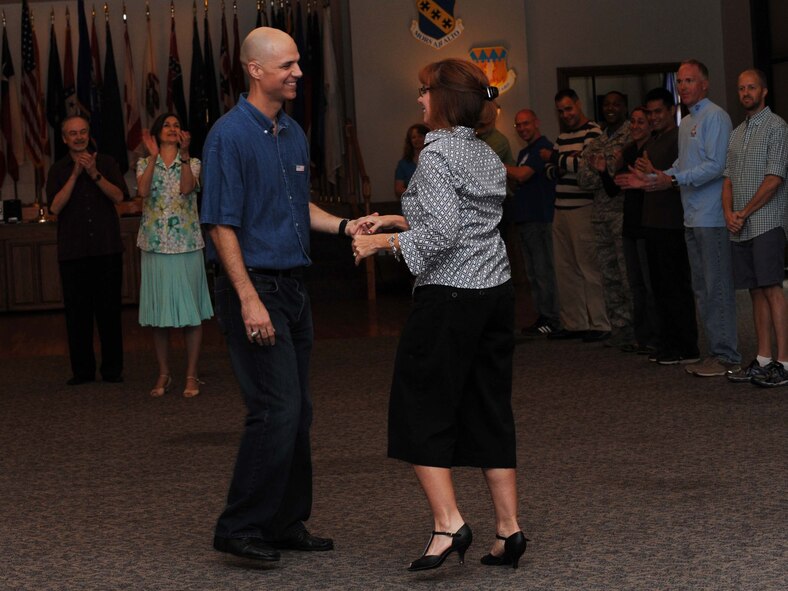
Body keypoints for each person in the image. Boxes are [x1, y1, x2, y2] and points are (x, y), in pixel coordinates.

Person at [352, 58, 527, 572]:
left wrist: (377, 242)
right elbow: (468, 219)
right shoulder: (484, 154)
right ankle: (509, 530)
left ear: (447, 100)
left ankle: (448, 524)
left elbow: (440, 237)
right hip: (495, 293)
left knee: (420, 406)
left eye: (425, 91)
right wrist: (395, 216)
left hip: (449, 299)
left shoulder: (434, 158)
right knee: (490, 405)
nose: (420, 100)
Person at [200, 27, 367, 563]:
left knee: (299, 411)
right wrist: (248, 298)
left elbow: (300, 207)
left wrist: (345, 228)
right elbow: (220, 225)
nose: (298, 72)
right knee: (274, 409)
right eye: (287, 65)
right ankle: (240, 526)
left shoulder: (292, 132)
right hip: (256, 287)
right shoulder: (229, 136)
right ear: (255, 70)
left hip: (294, 288)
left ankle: (284, 521)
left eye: (298, 64)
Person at [619, 60, 740, 377]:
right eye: (680, 81)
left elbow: (716, 166)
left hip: (712, 216)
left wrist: (672, 180)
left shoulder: (716, 117)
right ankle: (714, 351)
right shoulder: (686, 123)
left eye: (690, 80)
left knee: (717, 288)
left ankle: (727, 355)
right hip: (691, 217)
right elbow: (681, 167)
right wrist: (653, 180)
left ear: (705, 84)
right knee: (700, 289)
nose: (684, 86)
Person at [46, 115, 129, 385]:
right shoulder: (58, 170)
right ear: (64, 139)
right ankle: (82, 371)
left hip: (106, 250)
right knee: (77, 315)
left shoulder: (106, 162)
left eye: (83, 132)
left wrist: (94, 174)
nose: (79, 137)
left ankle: (112, 370)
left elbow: (119, 196)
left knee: (109, 312)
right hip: (73, 253)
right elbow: (55, 207)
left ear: (89, 134)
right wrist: (75, 175)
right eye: (73, 133)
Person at [136, 112, 213, 398]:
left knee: (191, 314)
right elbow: (143, 191)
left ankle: (191, 374)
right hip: (155, 245)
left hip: (186, 245)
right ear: (156, 134)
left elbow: (186, 188)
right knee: (159, 315)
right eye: (166, 125)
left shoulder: (192, 163)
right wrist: (154, 158)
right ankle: (164, 373)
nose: (171, 128)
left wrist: (183, 155)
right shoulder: (144, 163)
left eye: (176, 125)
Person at [722, 69, 788, 388]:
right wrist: (728, 214)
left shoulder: (777, 127)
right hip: (741, 226)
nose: (746, 92)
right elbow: (727, 180)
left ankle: (784, 362)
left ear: (764, 92)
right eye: (741, 88)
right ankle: (763, 359)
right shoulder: (736, 133)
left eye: (751, 87)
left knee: (773, 288)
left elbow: (774, 179)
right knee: (755, 291)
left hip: (767, 223)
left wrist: (744, 212)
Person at [542, 89, 611, 342]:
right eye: (561, 111)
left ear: (578, 104)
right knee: (565, 268)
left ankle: (599, 323)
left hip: (583, 209)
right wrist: (564, 162)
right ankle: (575, 323)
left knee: (589, 267)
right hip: (560, 208)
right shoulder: (562, 137)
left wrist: (557, 160)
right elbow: (550, 171)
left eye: (569, 109)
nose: (566, 115)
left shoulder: (592, 131)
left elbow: (587, 167)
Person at [593, 106, 659, 354]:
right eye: (633, 121)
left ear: (650, 125)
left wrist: (645, 177)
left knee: (650, 283)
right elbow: (614, 189)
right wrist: (603, 172)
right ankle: (641, 337)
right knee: (635, 283)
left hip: (649, 222)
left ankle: (655, 336)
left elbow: (657, 183)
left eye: (641, 121)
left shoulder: (654, 148)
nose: (636, 126)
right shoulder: (629, 151)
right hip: (629, 224)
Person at [581, 91, 634, 348]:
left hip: (622, 214)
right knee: (609, 276)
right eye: (607, 105)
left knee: (626, 276)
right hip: (600, 216)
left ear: (625, 107)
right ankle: (620, 330)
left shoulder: (631, 135)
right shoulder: (598, 140)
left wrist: (602, 170)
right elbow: (584, 179)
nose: (611, 108)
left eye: (616, 104)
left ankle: (637, 331)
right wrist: (601, 171)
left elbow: (614, 175)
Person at [505, 109, 560, 336]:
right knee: (533, 274)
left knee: (543, 270)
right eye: (518, 125)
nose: (522, 128)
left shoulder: (542, 148)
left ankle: (552, 318)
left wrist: (497, 164)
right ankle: (542, 316)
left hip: (540, 218)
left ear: (536, 122)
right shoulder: (524, 152)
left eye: (526, 123)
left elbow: (522, 175)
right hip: (525, 219)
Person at [394, 123, 429, 199]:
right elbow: (398, 189)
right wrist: (417, 192)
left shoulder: (434, 160)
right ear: (410, 141)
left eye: (420, 136)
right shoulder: (403, 164)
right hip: (410, 205)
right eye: (413, 137)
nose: (417, 140)